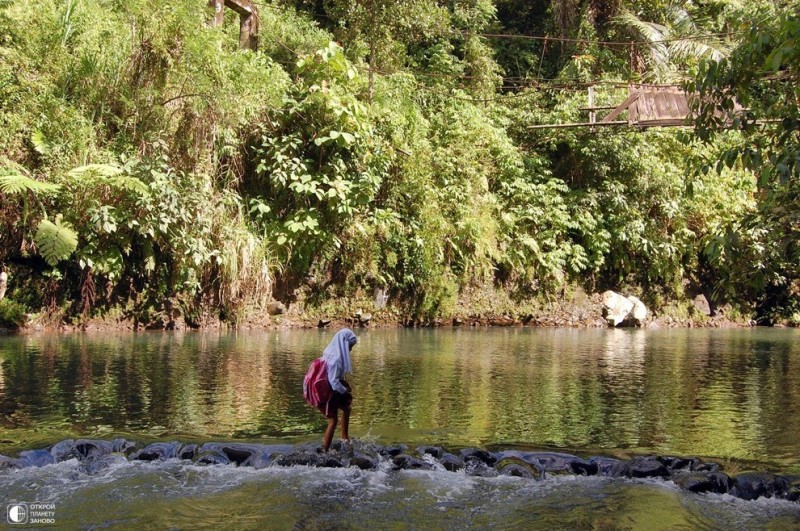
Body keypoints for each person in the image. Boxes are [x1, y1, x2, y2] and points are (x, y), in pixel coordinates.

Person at [319, 328, 357, 452]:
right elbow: (334, 382)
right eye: (350, 347)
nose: (351, 350)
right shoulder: (336, 360)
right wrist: (345, 392)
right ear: (344, 345)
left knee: (347, 408)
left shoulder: (331, 353)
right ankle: (324, 449)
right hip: (325, 392)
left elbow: (335, 376)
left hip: (329, 389)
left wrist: (345, 384)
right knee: (333, 420)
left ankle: (345, 438)